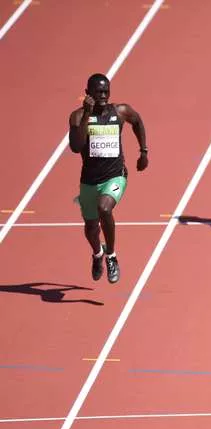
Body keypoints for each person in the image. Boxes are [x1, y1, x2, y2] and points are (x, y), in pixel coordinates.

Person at [68, 73, 149, 284]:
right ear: (88, 94)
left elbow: (138, 121)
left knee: (105, 208)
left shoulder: (120, 112)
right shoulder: (77, 116)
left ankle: (111, 256)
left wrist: (143, 152)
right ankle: (97, 254)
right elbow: (76, 147)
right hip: (89, 181)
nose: (103, 96)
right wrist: (87, 113)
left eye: (106, 91)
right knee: (91, 228)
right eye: (98, 92)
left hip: (115, 176)